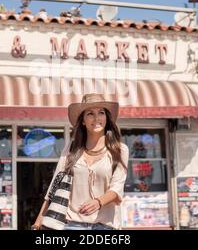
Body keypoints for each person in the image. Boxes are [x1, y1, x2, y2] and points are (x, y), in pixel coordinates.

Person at [31, 93, 129, 230]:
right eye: (90, 114)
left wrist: (98, 202)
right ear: (83, 120)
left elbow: (117, 187)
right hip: (72, 224)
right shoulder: (71, 149)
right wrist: (38, 222)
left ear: (106, 118)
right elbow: (55, 186)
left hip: (105, 226)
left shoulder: (120, 150)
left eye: (101, 113)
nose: (96, 118)